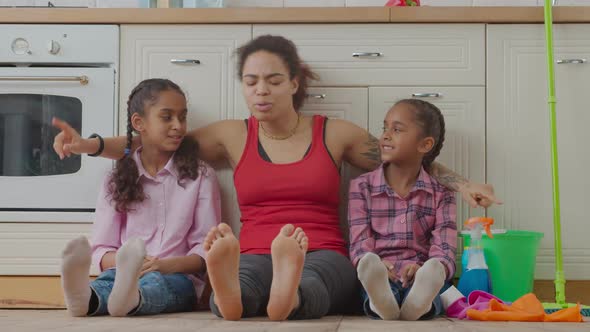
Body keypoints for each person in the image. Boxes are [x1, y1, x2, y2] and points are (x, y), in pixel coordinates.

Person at [52, 35, 500, 321]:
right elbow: (154, 141)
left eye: (272, 80)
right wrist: (88, 145)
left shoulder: (334, 133)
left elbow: (401, 158)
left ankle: (286, 294)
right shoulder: (232, 135)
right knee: (241, 283)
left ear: (293, 84)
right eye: (250, 82)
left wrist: (464, 185)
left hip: (324, 249)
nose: (260, 91)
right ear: (243, 87)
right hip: (254, 248)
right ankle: (230, 297)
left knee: (315, 285)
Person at [58, 78, 221, 317]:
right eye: (167, 117)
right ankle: (86, 298)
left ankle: (129, 299)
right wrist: (130, 265)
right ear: (139, 123)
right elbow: (103, 248)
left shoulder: (201, 176)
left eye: (182, 117)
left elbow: (207, 249)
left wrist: (163, 265)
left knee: (157, 286)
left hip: (176, 276)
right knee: (107, 282)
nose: (179, 126)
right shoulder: (115, 177)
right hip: (122, 270)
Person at [349, 99, 457, 321]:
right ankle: (383, 305)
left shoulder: (442, 193)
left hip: (419, 274)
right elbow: (359, 240)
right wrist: (375, 264)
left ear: (425, 145)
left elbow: (444, 246)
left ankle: (418, 305)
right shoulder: (362, 186)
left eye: (396, 129)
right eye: (385, 127)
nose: (385, 136)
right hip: (379, 272)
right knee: (370, 287)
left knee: (436, 290)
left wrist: (425, 269)